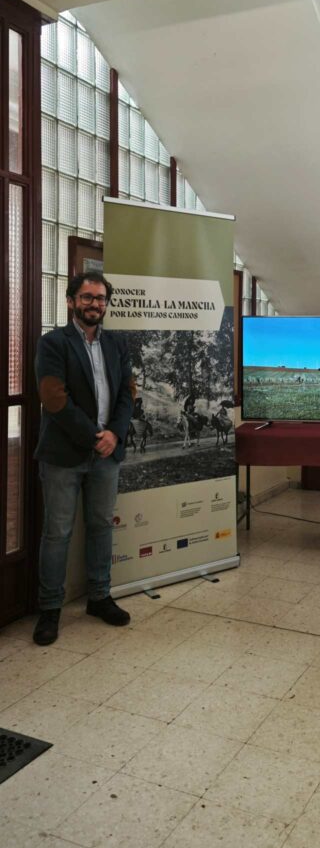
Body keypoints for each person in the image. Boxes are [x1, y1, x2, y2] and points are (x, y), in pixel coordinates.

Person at [33, 272, 135, 646]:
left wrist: (115, 434)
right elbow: (54, 399)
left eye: (101, 298)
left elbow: (128, 393)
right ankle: (49, 609)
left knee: (101, 526)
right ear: (71, 300)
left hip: (107, 454)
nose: (95, 304)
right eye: (88, 297)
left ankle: (99, 597)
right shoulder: (52, 343)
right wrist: (96, 438)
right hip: (64, 455)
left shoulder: (117, 344)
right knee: (57, 533)